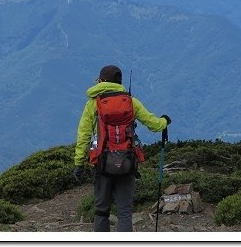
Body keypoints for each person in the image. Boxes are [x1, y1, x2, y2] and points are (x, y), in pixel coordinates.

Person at [73, 64, 171, 232]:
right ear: (119, 82)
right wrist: (164, 121)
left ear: (101, 81)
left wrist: (79, 163)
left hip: (101, 163)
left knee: (101, 211)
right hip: (127, 162)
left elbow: (83, 136)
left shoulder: (93, 104)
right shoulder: (131, 102)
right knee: (125, 211)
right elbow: (154, 124)